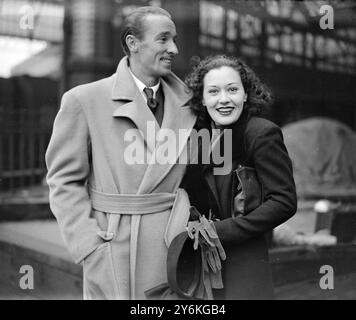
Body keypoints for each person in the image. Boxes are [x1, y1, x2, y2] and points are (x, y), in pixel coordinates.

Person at [45, 6, 197, 300]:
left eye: (174, 39)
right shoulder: (84, 100)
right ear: (132, 43)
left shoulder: (191, 104)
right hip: (113, 248)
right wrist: (89, 247)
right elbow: (63, 182)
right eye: (163, 39)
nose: (174, 49)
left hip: (174, 248)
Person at [182, 55, 297, 299]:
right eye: (213, 91)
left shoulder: (261, 133)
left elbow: (284, 201)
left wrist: (221, 231)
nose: (224, 99)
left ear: (246, 94)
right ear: (202, 99)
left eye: (232, 89)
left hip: (245, 261)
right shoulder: (197, 137)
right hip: (201, 260)